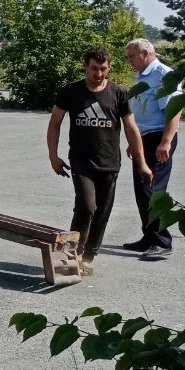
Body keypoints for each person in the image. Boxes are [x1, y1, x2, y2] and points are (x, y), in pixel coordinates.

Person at [47, 46, 152, 275]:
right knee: (86, 206)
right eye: (94, 69)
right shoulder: (71, 92)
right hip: (81, 161)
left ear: (109, 68)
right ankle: (70, 255)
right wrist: (53, 157)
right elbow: (54, 123)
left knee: (102, 211)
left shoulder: (119, 93)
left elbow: (131, 129)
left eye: (103, 69)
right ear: (85, 67)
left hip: (110, 163)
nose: (98, 74)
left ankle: (88, 256)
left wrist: (142, 162)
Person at [123, 38, 182, 260]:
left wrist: (166, 141)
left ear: (146, 53)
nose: (129, 61)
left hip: (159, 138)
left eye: (131, 56)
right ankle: (148, 237)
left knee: (153, 191)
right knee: (142, 190)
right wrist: (134, 141)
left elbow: (174, 111)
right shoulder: (143, 75)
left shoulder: (163, 75)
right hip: (143, 138)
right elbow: (141, 114)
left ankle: (162, 241)